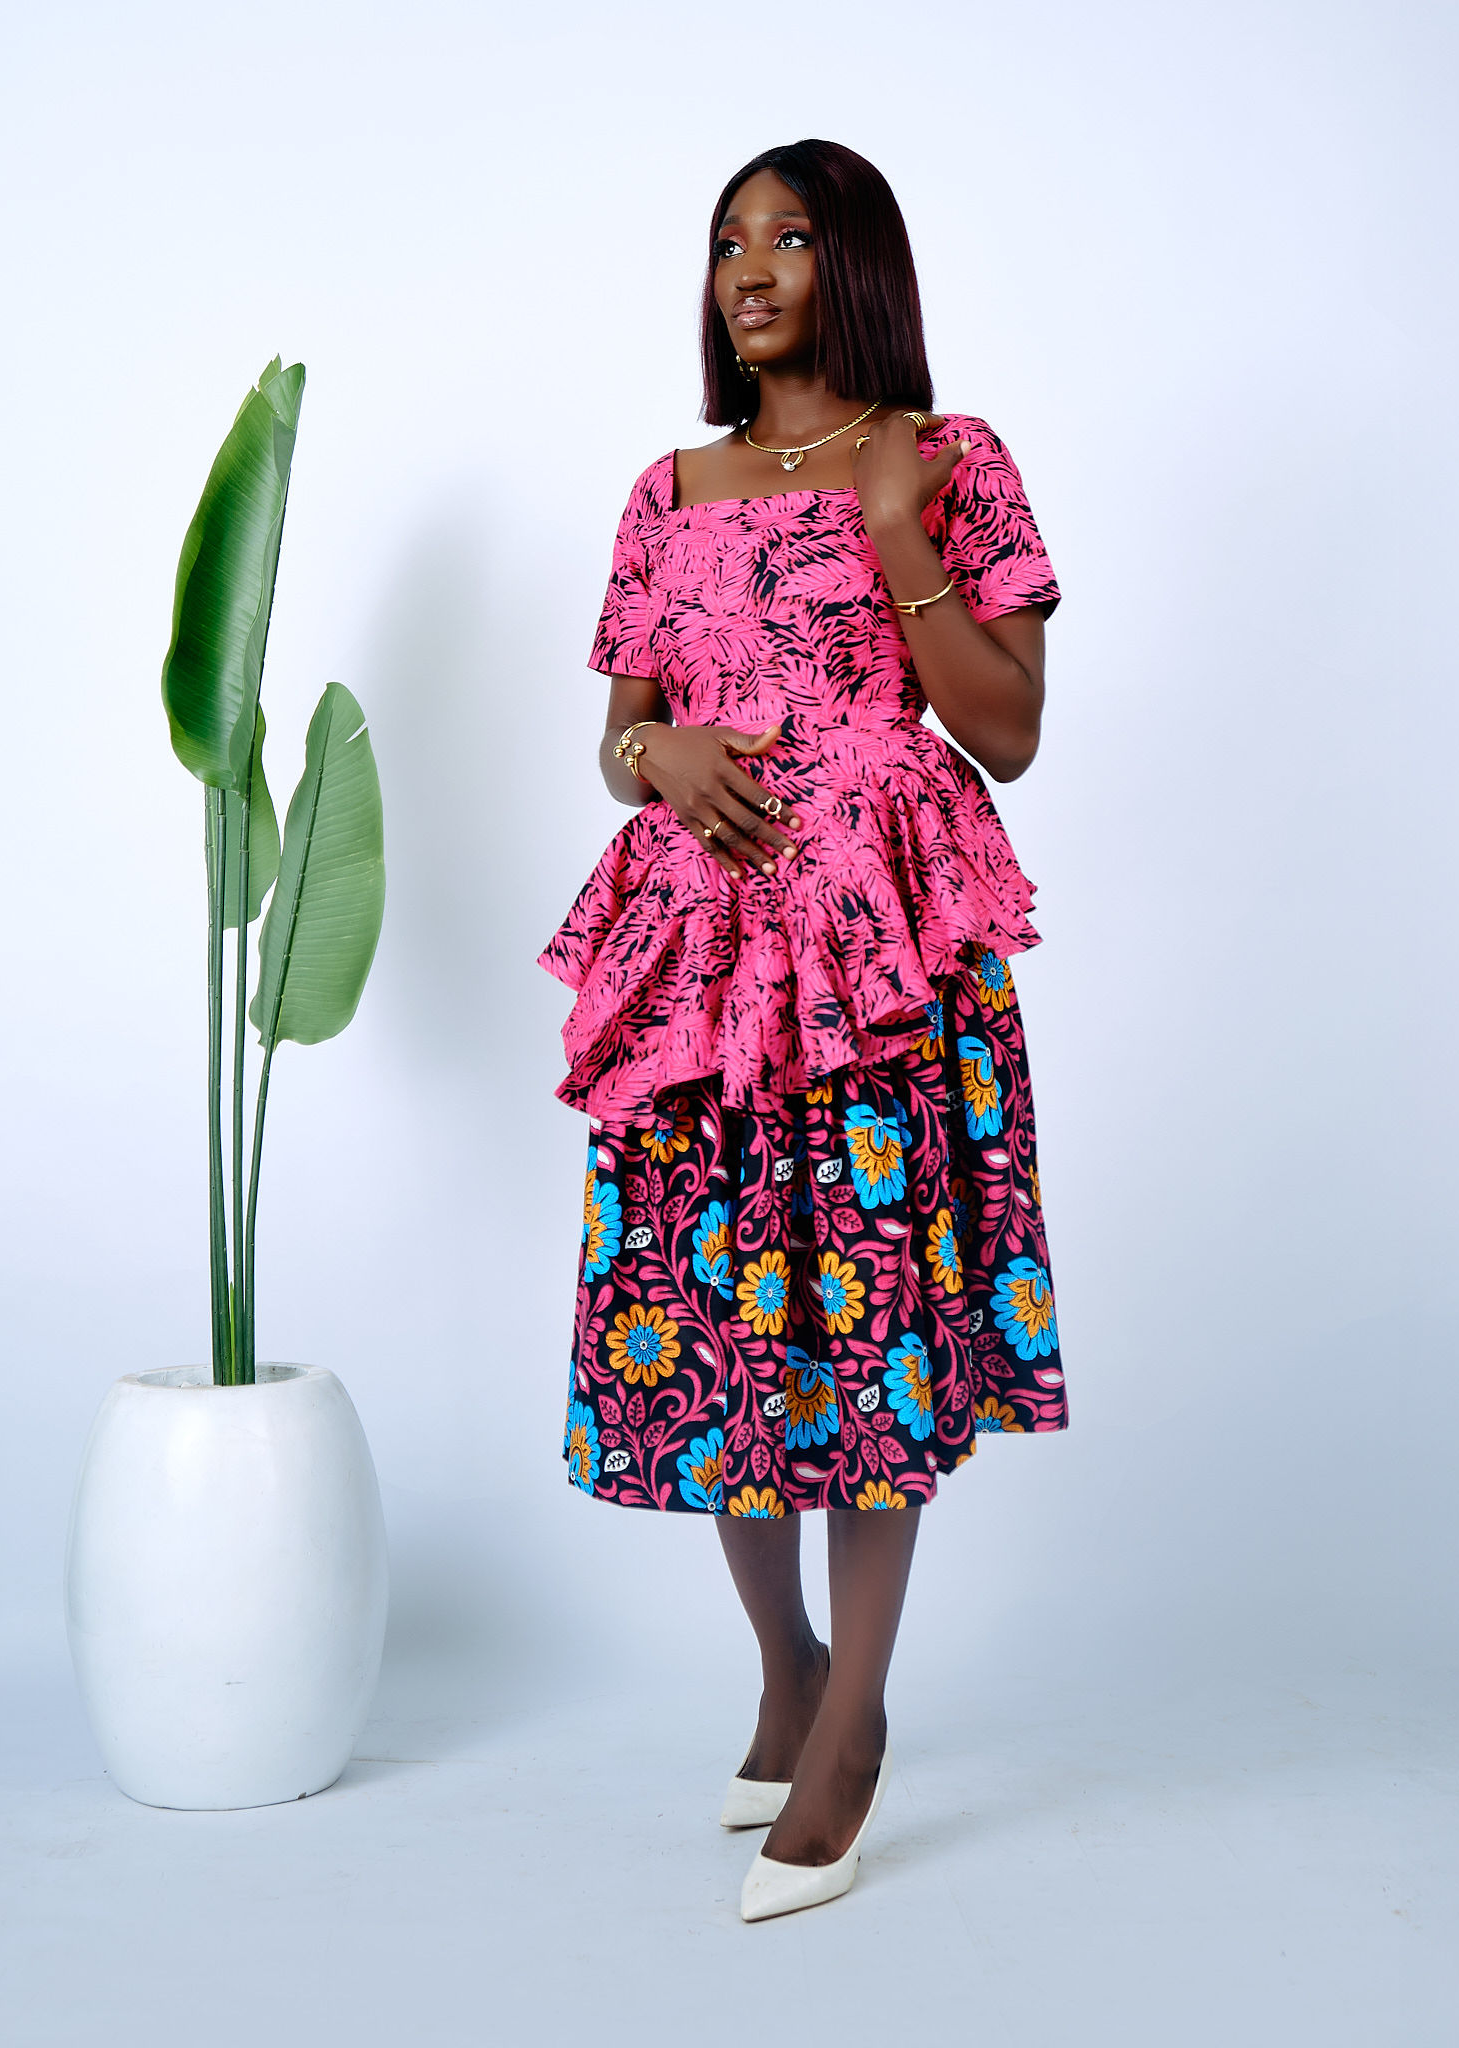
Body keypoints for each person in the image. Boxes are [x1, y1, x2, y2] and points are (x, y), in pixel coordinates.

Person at [539, 138, 1067, 1921]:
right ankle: (786, 1671)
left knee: (865, 1314)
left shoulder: (948, 457)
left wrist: (900, 531)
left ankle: (850, 1731)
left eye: (786, 236)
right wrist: (659, 751)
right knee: (711, 1315)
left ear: (857, 265)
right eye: (724, 241)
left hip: (876, 947)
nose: (747, 268)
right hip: (700, 957)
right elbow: (619, 732)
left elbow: (1006, 733)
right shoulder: (665, 488)